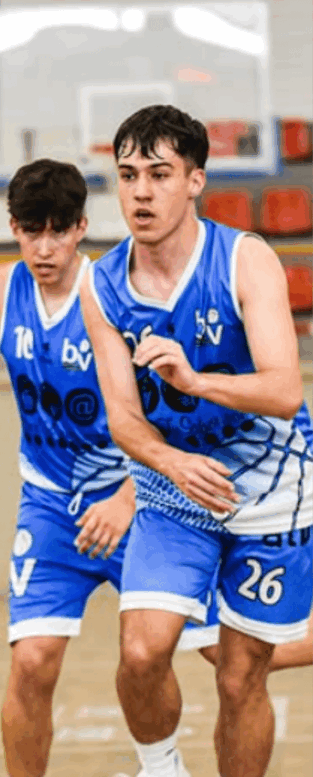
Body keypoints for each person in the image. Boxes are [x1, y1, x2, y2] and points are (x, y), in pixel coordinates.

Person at [80, 104, 313, 777]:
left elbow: (284, 390)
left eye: (159, 174)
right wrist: (170, 462)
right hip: (174, 487)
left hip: (270, 488)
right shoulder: (101, 284)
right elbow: (124, 418)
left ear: (195, 181)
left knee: (240, 675)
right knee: (141, 651)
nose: (141, 191)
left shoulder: (245, 259)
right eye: (128, 175)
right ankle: (161, 768)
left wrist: (196, 380)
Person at [0, 158, 136, 777]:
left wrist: (129, 496)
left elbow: (169, 412)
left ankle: (161, 762)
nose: (45, 248)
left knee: (167, 653)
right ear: (13, 228)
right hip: (50, 505)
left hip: (132, 496)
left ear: (81, 228)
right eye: (32, 231)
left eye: (58, 231)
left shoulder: (116, 295)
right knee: (32, 661)